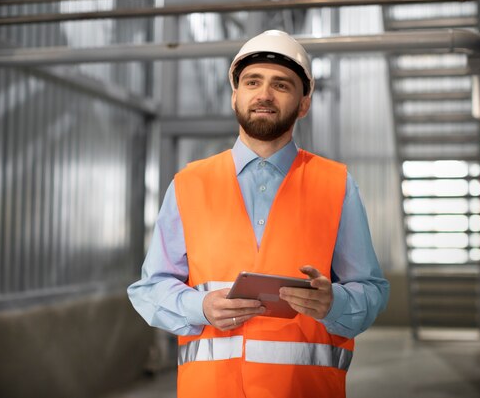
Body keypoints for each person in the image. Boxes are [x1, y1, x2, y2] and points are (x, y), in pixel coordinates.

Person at [128, 29, 390, 398]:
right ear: (236, 96)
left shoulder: (337, 184)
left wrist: (334, 304)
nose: (264, 94)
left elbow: (372, 290)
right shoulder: (189, 184)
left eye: (281, 85)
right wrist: (199, 306)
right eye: (253, 82)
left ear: (303, 104)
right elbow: (149, 288)